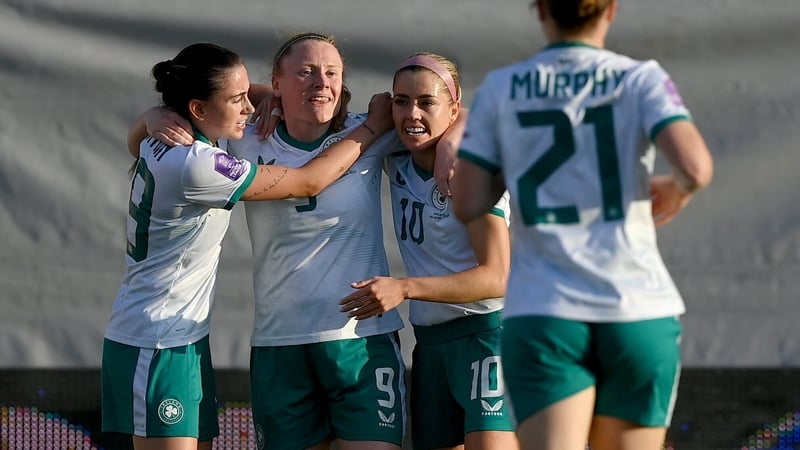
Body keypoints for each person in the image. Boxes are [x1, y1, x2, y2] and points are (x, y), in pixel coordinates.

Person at [451, 1, 715, 449]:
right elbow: (696, 167)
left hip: (546, 313)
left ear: (541, 10)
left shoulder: (503, 86)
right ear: (610, 9)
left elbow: (467, 202)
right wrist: (678, 189)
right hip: (636, 309)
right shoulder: (639, 78)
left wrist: (513, 163)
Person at [104, 42, 393, 450]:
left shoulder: (183, 137)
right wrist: (372, 127)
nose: (250, 107)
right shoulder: (198, 164)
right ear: (199, 108)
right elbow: (308, 181)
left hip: (179, 335)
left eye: (248, 95)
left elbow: (138, 139)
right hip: (156, 340)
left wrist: (151, 116)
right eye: (238, 99)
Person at [339, 53, 518, 450]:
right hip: (431, 345)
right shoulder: (395, 152)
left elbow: (497, 277)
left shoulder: (471, 168)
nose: (412, 114)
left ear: (453, 108)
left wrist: (404, 288)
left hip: (490, 336)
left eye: (426, 102)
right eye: (401, 101)